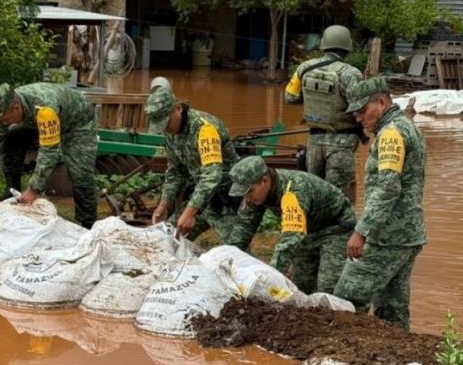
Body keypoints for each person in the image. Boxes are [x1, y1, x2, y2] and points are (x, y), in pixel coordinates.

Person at [333, 76, 427, 330]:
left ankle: (338, 358)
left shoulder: (391, 135)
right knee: (392, 311)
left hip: (386, 237)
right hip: (408, 235)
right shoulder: (408, 127)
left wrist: (361, 232)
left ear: (382, 102)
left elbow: (387, 187)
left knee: (345, 301)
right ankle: (397, 359)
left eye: (363, 110)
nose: (358, 118)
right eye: (356, 113)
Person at [0, 83, 98, 229]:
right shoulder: (3, 109)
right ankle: (11, 192)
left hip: (77, 123)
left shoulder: (45, 107)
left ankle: (87, 223)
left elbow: (49, 152)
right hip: (37, 120)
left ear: (16, 108)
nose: (2, 123)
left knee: (80, 172)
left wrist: (34, 189)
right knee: (12, 138)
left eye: (4, 119)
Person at [228, 156, 356, 294]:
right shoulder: (256, 194)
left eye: (249, 191)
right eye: (244, 193)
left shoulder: (294, 191)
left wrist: (269, 276)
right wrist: (228, 260)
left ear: (265, 181)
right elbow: (243, 229)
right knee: (302, 287)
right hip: (308, 230)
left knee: (327, 288)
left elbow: (290, 239)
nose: (247, 198)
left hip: (335, 228)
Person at [144, 88, 243, 246]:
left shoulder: (205, 129)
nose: (165, 129)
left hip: (227, 198)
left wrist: (190, 211)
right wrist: (164, 204)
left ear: (178, 108)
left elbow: (212, 176)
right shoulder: (171, 133)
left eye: (167, 122)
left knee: (237, 252)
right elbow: (176, 171)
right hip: (202, 198)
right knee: (167, 241)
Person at [284, 25, 364, 200]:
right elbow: (360, 108)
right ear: (347, 47)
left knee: (314, 194)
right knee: (337, 199)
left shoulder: (304, 68)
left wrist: (311, 99)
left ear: (323, 44)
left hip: (313, 142)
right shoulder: (352, 74)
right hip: (341, 144)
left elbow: (289, 97)